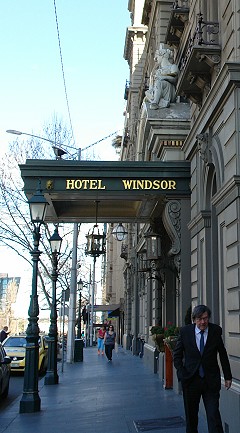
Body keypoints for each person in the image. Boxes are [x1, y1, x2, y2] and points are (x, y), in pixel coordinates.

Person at [173, 305, 232, 433]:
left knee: (213, 416)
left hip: (210, 381)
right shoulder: (185, 332)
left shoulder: (216, 331)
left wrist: (228, 376)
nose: (203, 322)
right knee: (191, 418)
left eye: (205, 318)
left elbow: (222, 354)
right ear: (194, 319)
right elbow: (177, 355)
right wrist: (182, 374)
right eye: (200, 319)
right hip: (190, 381)